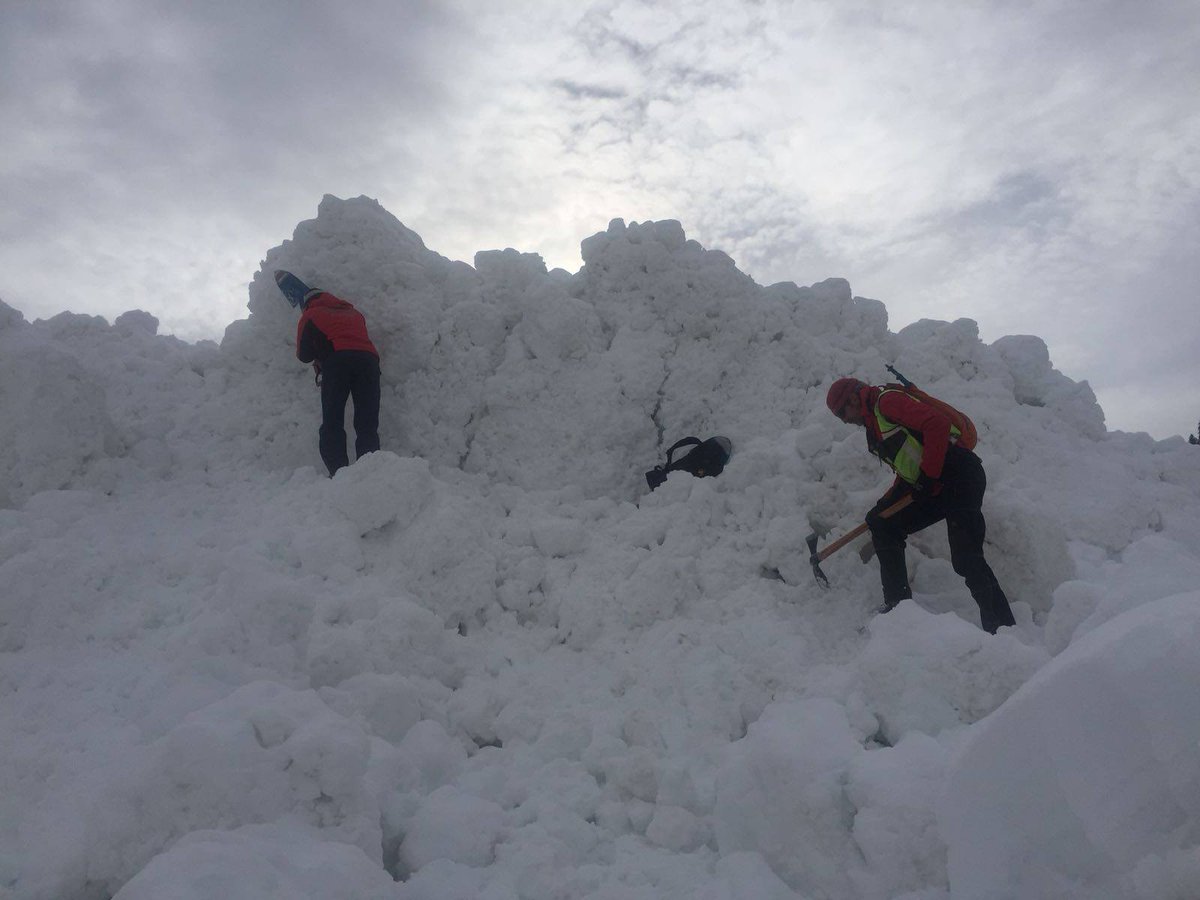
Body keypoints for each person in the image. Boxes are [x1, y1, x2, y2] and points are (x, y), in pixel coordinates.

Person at [825, 376, 1015, 634]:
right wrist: (883, 506)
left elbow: (937, 424)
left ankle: (1003, 628)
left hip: (960, 476)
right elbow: (908, 468)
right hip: (934, 486)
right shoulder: (874, 426)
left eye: (841, 412)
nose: (844, 420)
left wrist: (929, 474)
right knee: (883, 525)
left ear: (852, 398)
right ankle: (898, 608)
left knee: (966, 558)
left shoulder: (888, 402)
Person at [290, 280, 381, 477]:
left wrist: (319, 352)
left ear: (307, 302)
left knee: (333, 420)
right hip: (369, 362)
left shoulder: (310, 314)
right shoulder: (354, 313)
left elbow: (303, 355)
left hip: (338, 362)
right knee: (367, 422)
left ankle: (339, 474)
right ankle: (372, 473)